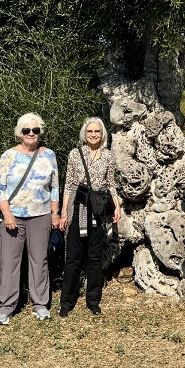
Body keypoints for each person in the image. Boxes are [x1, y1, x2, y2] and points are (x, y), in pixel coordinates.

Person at [0, 113, 60, 325]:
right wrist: (7, 214)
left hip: (41, 216)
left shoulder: (49, 155)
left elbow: (55, 187)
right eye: (26, 130)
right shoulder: (8, 156)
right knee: (9, 262)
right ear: (20, 133)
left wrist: (55, 213)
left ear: (40, 132)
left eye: (35, 130)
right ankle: (6, 307)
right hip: (13, 217)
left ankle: (40, 304)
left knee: (40, 260)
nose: (31, 134)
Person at [59, 117, 121, 317]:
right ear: (84, 134)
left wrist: (117, 206)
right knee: (73, 257)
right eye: (89, 131)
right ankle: (66, 301)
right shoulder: (75, 154)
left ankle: (93, 300)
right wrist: (63, 212)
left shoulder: (108, 156)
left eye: (97, 131)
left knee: (94, 257)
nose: (93, 135)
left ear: (102, 133)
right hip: (78, 208)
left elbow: (111, 183)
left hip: (99, 210)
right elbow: (68, 184)